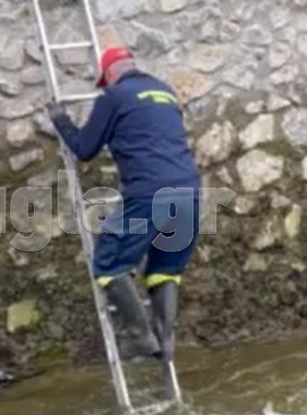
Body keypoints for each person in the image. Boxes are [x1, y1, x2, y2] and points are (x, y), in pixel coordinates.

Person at [48, 48, 202, 362]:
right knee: (165, 270)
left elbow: (85, 149)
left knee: (109, 263)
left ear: (111, 76)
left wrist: (60, 120)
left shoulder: (113, 97)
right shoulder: (165, 91)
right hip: (190, 192)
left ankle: (141, 337)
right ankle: (166, 339)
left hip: (149, 195)